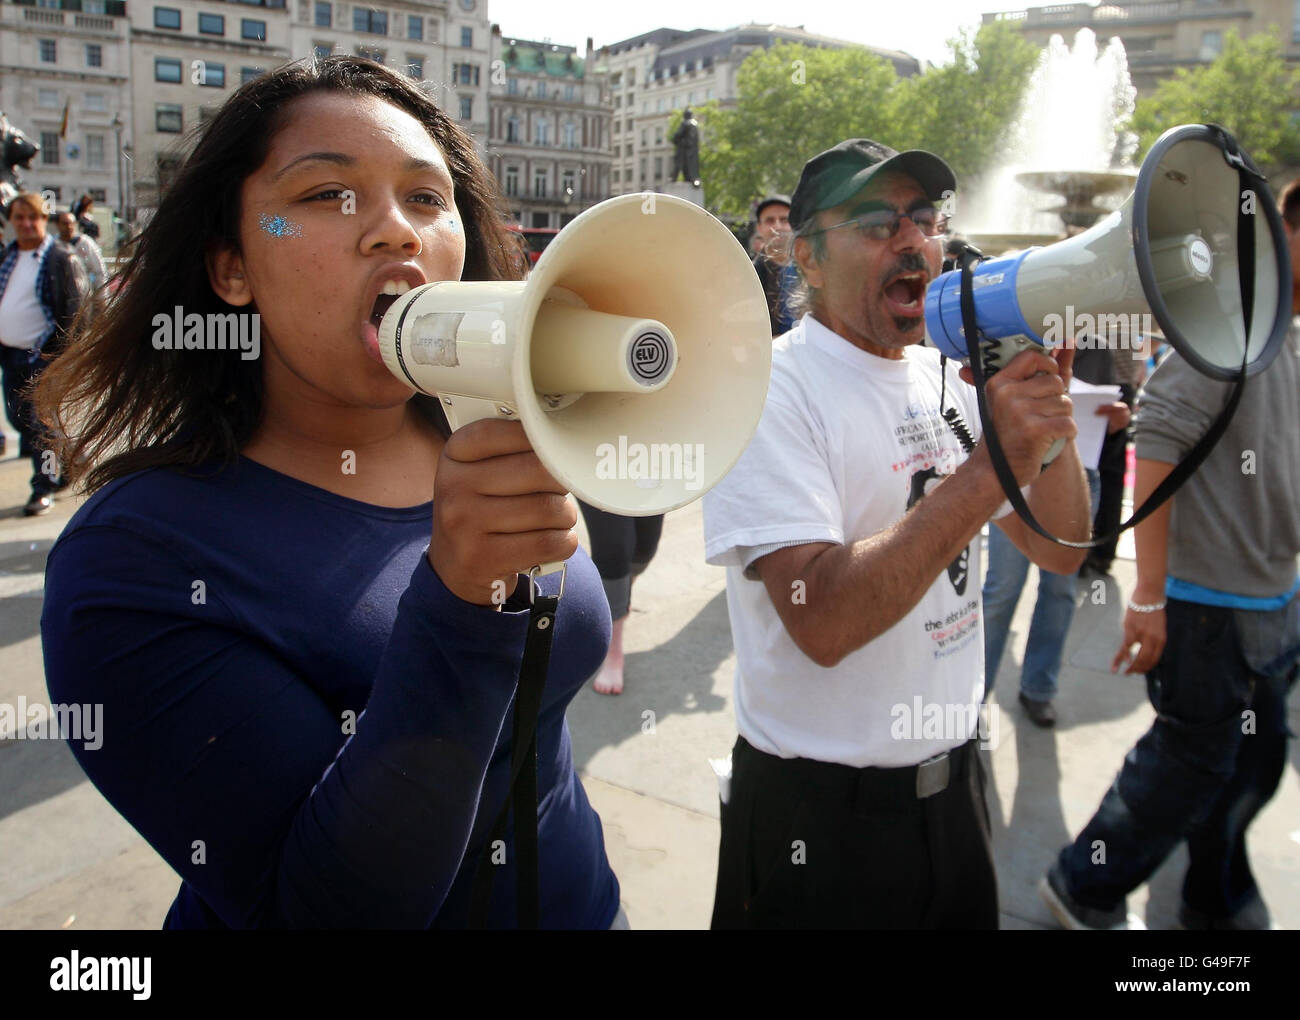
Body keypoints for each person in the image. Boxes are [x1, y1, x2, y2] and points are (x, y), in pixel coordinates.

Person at [36, 56, 622, 929]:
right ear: (232, 271)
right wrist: (462, 609)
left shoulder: (494, 438)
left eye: (427, 199)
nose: (396, 232)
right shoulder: (135, 560)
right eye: (325, 196)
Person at [702, 138, 1090, 928]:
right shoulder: (767, 390)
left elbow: (1060, 548)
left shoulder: (947, 371)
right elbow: (823, 619)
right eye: (877, 222)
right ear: (806, 259)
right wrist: (987, 470)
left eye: (925, 218)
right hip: (819, 824)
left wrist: (1052, 423)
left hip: (954, 797)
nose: (913, 241)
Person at [1041, 183, 1300, 930]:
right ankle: (1082, 884)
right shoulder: (1230, 321)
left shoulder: (1284, 327)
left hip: (1271, 597)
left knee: (1251, 762)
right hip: (1207, 606)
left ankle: (1210, 894)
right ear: (1284, 229)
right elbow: (1154, 438)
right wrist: (1148, 595)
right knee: (1186, 766)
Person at [981, 346, 1129, 725]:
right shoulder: (1022, 320)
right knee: (1002, 589)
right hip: (1019, 468)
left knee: (1060, 590)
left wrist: (1122, 416)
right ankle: (973, 695)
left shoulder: (1113, 335)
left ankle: (1038, 688)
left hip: (1081, 471)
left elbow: (1127, 397)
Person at [0, 191, 88, 515]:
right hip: (12, 356)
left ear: (43, 220)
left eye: (33, 217)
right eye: (19, 218)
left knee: (40, 427)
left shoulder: (60, 258)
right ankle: (66, 461)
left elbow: (76, 312)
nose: (26, 224)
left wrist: (60, 357)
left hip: (43, 358)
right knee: (19, 421)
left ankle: (44, 485)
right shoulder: (7, 256)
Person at [577, 503, 663, 695]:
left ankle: (618, 597)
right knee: (613, 549)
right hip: (593, 476)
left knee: (644, 549)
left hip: (649, 474)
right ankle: (612, 649)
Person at [750, 194, 791, 336]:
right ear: (759, 228)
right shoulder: (749, 276)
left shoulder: (812, 272)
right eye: (770, 220)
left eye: (784, 220)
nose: (777, 226)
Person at [54, 209, 107, 293]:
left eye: (71, 223)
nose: (69, 227)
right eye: (65, 224)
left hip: (83, 294)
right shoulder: (54, 245)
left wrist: (101, 296)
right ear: (57, 225)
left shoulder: (86, 243)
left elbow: (99, 271)